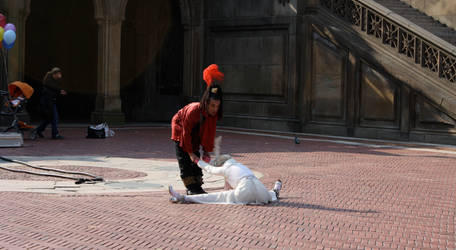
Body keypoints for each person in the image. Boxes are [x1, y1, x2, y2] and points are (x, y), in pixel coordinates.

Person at [171, 64, 224, 195]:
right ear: (206, 102)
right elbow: (185, 133)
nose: (214, 109)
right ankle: (191, 187)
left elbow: (209, 134)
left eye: (217, 106)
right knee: (185, 159)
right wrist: (190, 153)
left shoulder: (213, 115)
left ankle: (197, 186)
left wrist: (206, 151)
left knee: (197, 159)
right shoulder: (194, 111)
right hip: (180, 127)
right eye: (212, 105)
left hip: (196, 132)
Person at [168, 154, 283, 205]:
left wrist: (197, 161)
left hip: (245, 191)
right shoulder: (240, 165)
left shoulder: (226, 168)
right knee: (269, 194)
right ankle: (275, 191)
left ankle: (184, 198)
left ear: (221, 164)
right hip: (262, 192)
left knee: (217, 197)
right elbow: (228, 185)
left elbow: (209, 169)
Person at [31, 67, 67, 140]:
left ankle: (37, 130)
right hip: (48, 103)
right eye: (59, 74)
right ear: (54, 74)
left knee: (49, 119)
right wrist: (59, 92)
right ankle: (55, 134)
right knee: (54, 118)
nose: (60, 75)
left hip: (50, 102)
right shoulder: (49, 83)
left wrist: (59, 91)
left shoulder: (51, 82)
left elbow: (55, 90)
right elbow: (50, 93)